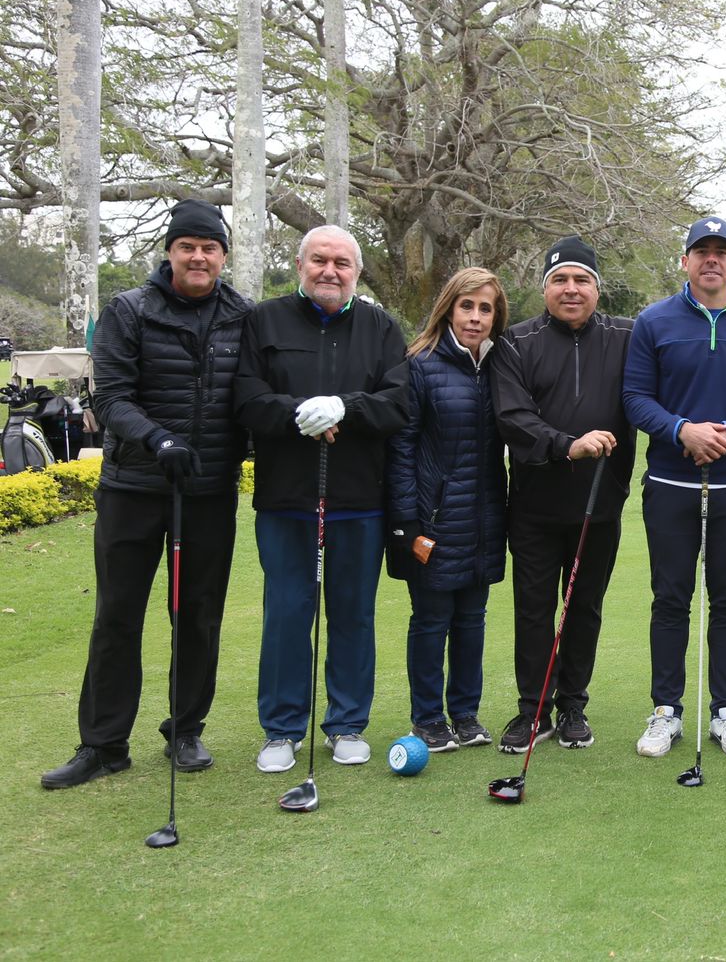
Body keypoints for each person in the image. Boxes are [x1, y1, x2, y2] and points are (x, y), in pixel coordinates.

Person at [42, 200, 252, 788]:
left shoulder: (243, 316)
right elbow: (110, 398)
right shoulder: (128, 309)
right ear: (170, 252)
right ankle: (103, 743)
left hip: (207, 491)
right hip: (133, 487)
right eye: (187, 247)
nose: (198, 257)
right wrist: (159, 439)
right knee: (117, 615)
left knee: (198, 615)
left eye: (209, 247)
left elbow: (254, 394)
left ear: (223, 256)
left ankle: (185, 729)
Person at [235, 225, 409, 772]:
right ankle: (282, 729)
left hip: (359, 500)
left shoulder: (381, 327)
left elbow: (398, 402)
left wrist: (345, 408)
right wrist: (296, 413)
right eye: (319, 260)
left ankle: (347, 723)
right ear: (299, 264)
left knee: (353, 615)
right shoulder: (264, 320)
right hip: (287, 500)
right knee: (287, 615)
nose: (329, 271)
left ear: (356, 272)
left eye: (342, 263)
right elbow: (246, 397)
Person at [623, 216, 726, 759]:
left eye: (722, 251)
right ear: (686, 260)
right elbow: (636, 397)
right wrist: (681, 431)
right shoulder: (654, 321)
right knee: (670, 598)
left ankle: (725, 711)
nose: (711, 259)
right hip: (670, 481)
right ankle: (666, 711)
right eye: (702, 250)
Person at [492, 237, 636, 753]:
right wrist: (566, 445)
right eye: (560, 279)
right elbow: (513, 417)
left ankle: (573, 704)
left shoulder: (627, 336)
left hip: (600, 504)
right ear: (545, 288)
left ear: (597, 288)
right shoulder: (516, 342)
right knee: (534, 610)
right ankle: (533, 709)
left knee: (584, 608)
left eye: (581, 280)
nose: (570, 289)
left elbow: (683, 333)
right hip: (534, 505)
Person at [385, 267, 509, 753]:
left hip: (484, 519)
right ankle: (428, 718)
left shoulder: (501, 365)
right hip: (432, 519)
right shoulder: (420, 364)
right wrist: (407, 523)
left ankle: (465, 713)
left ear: (496, 316)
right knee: (431, 620)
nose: (475, 317)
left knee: (472, 619)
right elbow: (402, 449)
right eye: (467, 306)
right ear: (449, 309)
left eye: (485, 308)